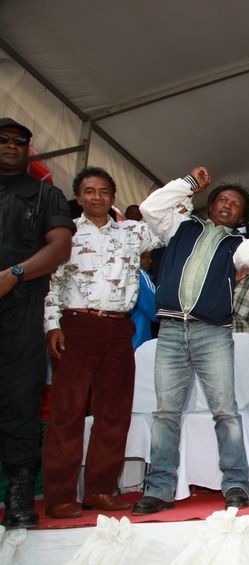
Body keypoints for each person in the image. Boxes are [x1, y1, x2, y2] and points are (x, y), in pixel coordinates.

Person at [132, 167, 249, 514]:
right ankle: (159, 489)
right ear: (210, 204)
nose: (226, 205)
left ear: (241, 218)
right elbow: (150, 208)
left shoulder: (237, 246)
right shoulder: (181, 226)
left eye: (235, 205)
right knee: (165, 414)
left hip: (214, 333)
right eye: (221, 199)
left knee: (225, 412)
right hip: (172, 330)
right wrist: (187, 184)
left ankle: (235, 484)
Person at [41, 167, 161, 519]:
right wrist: (52, 326)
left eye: (104, 191)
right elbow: (52, 283)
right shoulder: (65, 235)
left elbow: (165, 218)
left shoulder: (132, 232)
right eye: (90, 191)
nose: (97, 197)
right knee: (68, 413)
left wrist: (186, 185)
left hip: (119, 328)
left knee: (114, 414)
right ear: (78, 197)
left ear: (113, 196)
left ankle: (99, 491)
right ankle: (60, 496)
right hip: (76, 326)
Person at [0, 118, 74, 529]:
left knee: (20, 399)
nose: (11, 146)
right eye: (3, 140)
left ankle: (19, 493)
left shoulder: (46, 193)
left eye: (20, 142)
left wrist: (12, 274)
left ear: (30, 149)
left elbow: (60, 246)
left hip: (21, 306)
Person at [131, 250, 158, 349]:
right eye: (147, 257)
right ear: (139, 258)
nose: (150, 261)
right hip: (138, 337)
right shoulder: (140, 275)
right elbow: (154, 307)